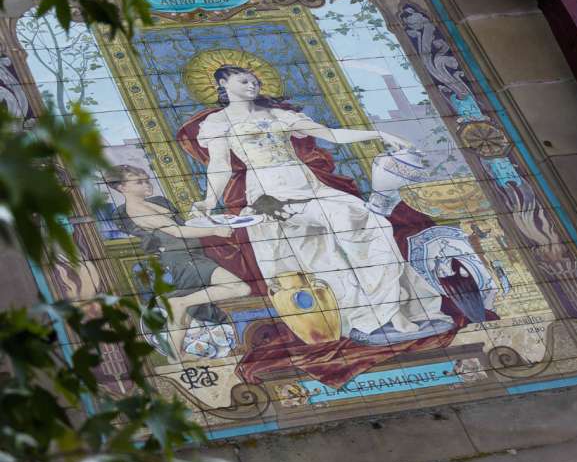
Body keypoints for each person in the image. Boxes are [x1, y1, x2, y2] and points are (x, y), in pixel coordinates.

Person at [188, 65, 452, 339]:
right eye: (245, 81)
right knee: (323, 253)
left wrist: (380, 134)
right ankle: (372, 318)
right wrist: (209, 200)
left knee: (371, 225)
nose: (253, 85)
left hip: (308, 186)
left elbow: (333, 135)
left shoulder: (279, 115)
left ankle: (395, 307)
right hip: (270, 194)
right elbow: (220, 165)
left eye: (255, 81)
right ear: (223, 83)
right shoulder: (218, 123)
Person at [106, 164, 251, 361]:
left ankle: (175, 354)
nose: (146, 183)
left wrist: (198, 218)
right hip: (183, 260)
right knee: (240, 288)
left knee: (187, 312)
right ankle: (178, 302)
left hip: (187, 256)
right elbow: (177, 232)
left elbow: (179, 225)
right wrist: (215, 231)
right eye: (139, 181)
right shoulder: (138, 210)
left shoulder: (152, 202)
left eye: (146, 178)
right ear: (122, 188)